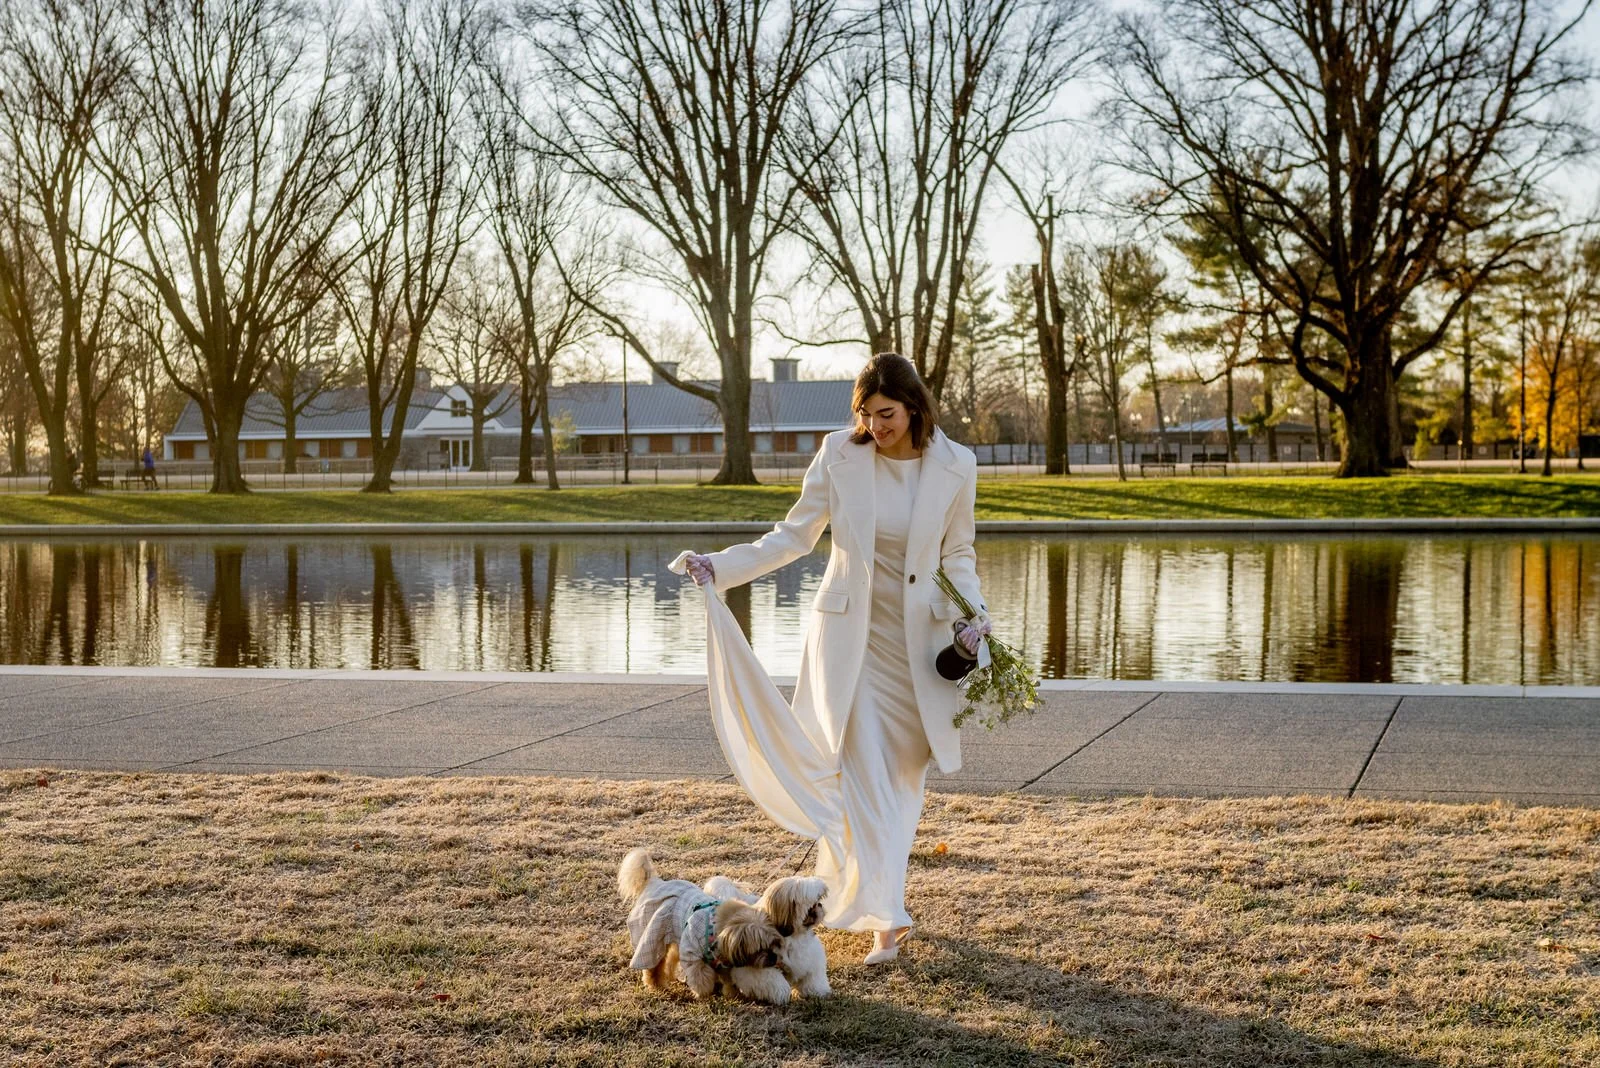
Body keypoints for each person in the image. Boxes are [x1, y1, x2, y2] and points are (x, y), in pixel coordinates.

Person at [682, 352, 989, 965]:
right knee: (863, 775)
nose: (875, 426)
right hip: (851, 643)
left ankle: (873, 899)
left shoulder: (957, 464)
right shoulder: (838, 454)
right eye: (866, 414)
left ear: (914, 407)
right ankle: (886, 923)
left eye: (887, 413)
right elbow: (794, 536)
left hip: (919, 646)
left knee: (902, 781)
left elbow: (958, 554)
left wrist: (974, 616)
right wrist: (722, 566)